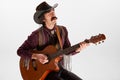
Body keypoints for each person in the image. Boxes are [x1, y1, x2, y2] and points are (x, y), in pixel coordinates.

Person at [17, 1, 89, 80]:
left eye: (53, 11)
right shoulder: (36, 35)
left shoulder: (63, 30)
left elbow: (66, 50)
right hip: (44, 73)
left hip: (59, 67)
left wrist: (78, 49)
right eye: (49, 13)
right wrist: (36, 56)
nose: (53, 14)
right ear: (43, 19)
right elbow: (20, 51)